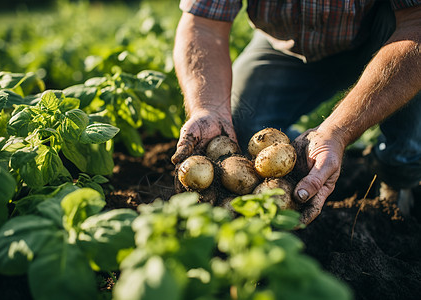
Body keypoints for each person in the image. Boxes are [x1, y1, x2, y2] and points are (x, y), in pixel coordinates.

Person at [171, 0, 421, 224]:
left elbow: (417, 24)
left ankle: (398, 169)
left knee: (407, 108)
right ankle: (311, 156)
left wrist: (338, 131)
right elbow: (203, 24)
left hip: (392, 39)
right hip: (290, 47)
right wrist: (208, 108)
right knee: (236, 126)